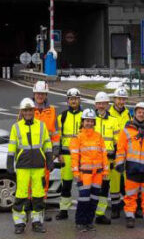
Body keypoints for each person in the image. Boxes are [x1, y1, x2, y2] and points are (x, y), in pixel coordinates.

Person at [8, 98, 53, 234]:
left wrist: (49, 160)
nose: (28, 112)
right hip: (23, 166)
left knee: (38, 196)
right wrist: (9, 163)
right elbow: (12, 147)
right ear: (21, 112)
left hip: (38, 165)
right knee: (21, 195)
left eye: (30, 110)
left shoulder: (41, 126)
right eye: (25, 110)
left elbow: (47, 144)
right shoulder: (16, 127)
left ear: (34, 111)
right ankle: (19, 223)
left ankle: (37, 222)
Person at [116, 102, 144, 228]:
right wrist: (119, 163)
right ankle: (130, 217)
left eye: (143, 112)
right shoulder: (126, 131)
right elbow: (121, 149)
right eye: (139, 112)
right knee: (130, 195)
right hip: (132, 167)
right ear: (134, 113)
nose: (141, 114)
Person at [70, 108, 109, 232]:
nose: (89, 123)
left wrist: (106, 171)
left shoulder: (98, 136)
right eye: (87, 121)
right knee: (83, 199)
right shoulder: (77, 137)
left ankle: (89, 221)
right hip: (84, 174)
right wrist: (75, 172)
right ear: (82, 122)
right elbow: (74, 156)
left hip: (97, 174)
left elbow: (104, 154)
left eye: (91, 121)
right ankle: (80, 222)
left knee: (94, 199)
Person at [31, 81, 59, 222]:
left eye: (42, 94)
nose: (40, 96)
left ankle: (41, 210)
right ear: (34, 94)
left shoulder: (52, 111)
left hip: (46, 153)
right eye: (38, 93)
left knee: (44, 182)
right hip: (30, 153)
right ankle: (31, 210)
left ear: (46, 95)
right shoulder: (27, 109)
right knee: (30, 183)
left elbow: (55, 134)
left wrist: (55, 150)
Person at [56, 88, 83, 220]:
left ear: (79, 100)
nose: (74, 101)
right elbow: (59, 137)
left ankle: (83, 210)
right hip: (66, 155)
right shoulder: (62, 116)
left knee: (83, 185)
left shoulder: (85, 116)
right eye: (71, 99)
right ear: (67, 101)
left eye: (76, 98)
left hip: (82, 156)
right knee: (66, 184)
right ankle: (64, 210)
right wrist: (59, 153)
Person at [93, 92, 117, 225]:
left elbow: (117, 142)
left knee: (104, 188)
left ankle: (100, 214)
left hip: (108, 160)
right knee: (92, 187)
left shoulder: (113, 120)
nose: (101, 106)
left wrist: (115, 159)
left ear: (108, 105)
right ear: (95, 104)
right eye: (99, 103)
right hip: (92, 160)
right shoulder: (90, 119)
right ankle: (90, 212)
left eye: (104, 103)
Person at [108, 86, 131, 218]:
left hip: (127, 152)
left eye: (123, 99)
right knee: (115, 180)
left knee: (127, 181)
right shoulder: (109, 113)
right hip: (114, 152)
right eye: (119, 99)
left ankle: (128, 206)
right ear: (114, 99)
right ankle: (115, 207)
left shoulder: (128, 114)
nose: (121, 101)